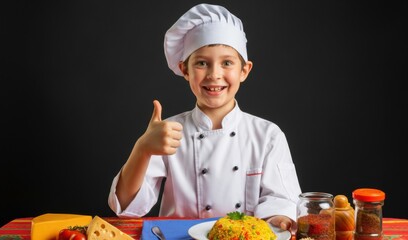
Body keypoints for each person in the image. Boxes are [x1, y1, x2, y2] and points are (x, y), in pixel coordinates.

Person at [108, 3, 302, 232]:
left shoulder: (267, 135)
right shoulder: (168, 132)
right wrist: (142, 149)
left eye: (227, 62)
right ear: (185, 70)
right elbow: (127, 208)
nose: (214, 74)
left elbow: (281, 199)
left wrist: (279, 217)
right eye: (201, 63)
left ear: (244, 70)